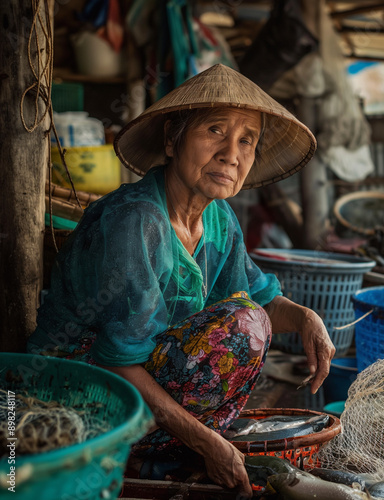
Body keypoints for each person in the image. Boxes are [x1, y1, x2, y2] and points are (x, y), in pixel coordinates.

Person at [28, 64, 335, 497]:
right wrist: (207, 442)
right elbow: (118, 359)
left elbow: (259, 297)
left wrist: (307, 320)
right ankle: (145, 452)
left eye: (246, 140)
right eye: (215, 131)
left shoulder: (219, 218)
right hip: (73, 393)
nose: (232, 153)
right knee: (244, 328)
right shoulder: (135, 221)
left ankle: (162, 450)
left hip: (140, 379)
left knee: (250, 319)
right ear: (172, 139)